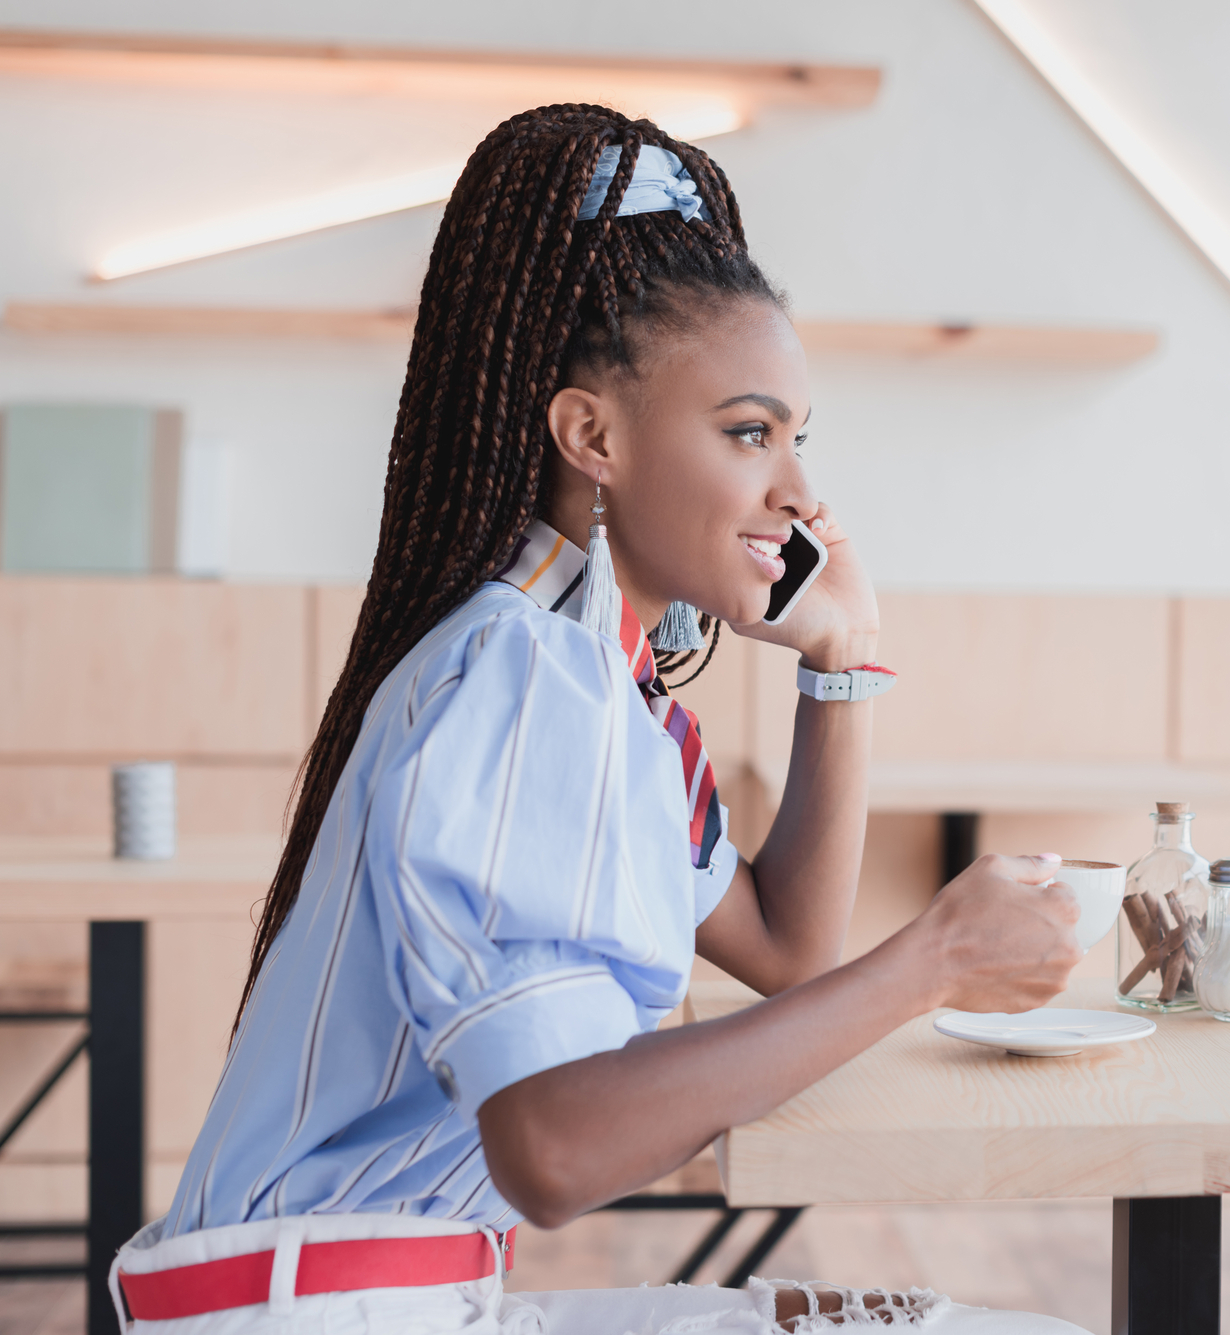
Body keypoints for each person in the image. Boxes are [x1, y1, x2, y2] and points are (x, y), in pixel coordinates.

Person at [109, 104, 1089, 1334]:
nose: (798, 490)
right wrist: (935, 960)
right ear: (591, 435)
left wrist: (842, 656)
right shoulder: (522, 680)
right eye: (747, 433)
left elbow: (786, 950)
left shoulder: (591, 676)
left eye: (796, 438)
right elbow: (557, 1147)